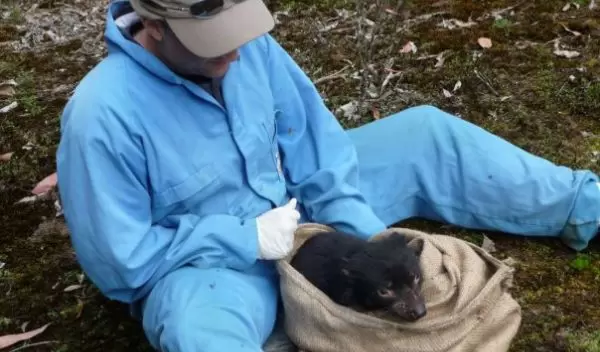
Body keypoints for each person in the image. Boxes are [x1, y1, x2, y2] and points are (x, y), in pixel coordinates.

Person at [55, 0, 600, 350]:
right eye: (214, 44)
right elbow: (125, 264)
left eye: (238, 33)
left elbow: (317, 151)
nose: (237, 54)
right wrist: (244, 238)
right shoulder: (102, 117)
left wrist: (363, 239)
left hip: (301, 211)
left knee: (426, 135)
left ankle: (584, 207)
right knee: (202, 334)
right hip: (210, 266)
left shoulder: (250, 47)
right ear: (153, 25)